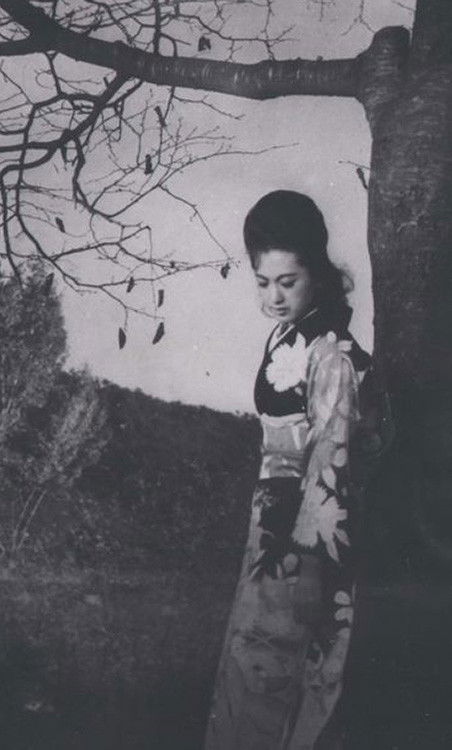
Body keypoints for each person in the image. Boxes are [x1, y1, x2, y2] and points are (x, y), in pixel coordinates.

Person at [204, 190, 389, 749]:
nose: (274, 297)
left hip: (310, 539)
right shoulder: (287, 334)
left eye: (288, 281)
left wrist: (310, 564)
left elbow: (331, 457)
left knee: (282, 671)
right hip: (272, 522)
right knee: (252, 662)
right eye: (263, 282)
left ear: (317, 271)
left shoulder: (331, 352)